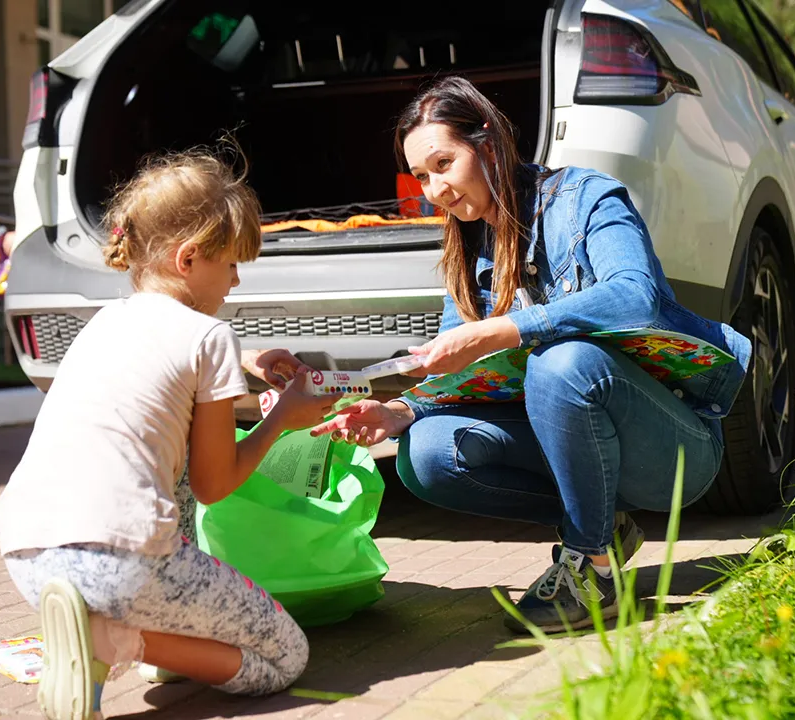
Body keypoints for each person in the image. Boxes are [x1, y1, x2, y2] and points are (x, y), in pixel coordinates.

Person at [308, 76, 752, 633]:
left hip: (672, 448)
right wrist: (399, 411)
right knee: (425, 454)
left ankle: (590, 568)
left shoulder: (587, 197)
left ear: (488, 144)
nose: (434, 190)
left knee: (561, 363)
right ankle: (604, 531)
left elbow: (634, 296)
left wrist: (506, 330)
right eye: (421, 176)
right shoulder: (469, 247)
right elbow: (461, 379)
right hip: (585, 447)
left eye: (443, 164)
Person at [0, 147, 341, 720]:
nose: (234, 281)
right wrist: (282, 418)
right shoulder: (209, 337)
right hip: (122, 565)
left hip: (30, 559)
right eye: (231, 264)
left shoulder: (104, 323)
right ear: (188, 258)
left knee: (162, 467)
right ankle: (117, 640)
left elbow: (161, 367)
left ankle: (107, 641)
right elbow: (212, 484)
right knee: (285, 658)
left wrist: (242, 362)